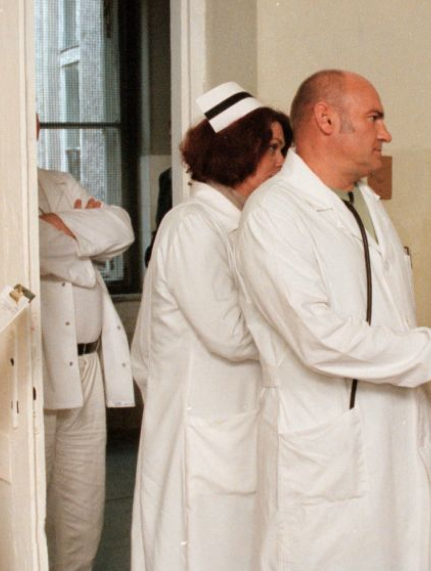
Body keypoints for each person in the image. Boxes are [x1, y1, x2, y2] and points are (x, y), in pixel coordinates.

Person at [235, 70, 431, 570]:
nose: (385, 133)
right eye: (374, 118)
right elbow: (318, 337)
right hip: (329, 451)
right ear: (326, 119)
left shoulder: (364, 201)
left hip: (394, 436)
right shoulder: (273, 213)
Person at [129, 82, 292, 571]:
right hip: (200, 431)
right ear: (240, 151)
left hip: (229, 423)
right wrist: (301, 329)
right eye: (274, 148)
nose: (282, 162)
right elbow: (230, 334)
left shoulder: (238, 224)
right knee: (198, 548)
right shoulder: (192, 226)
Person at [37, 117, 135, 570]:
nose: (35, 124)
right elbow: (32, 242)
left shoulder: (57, 182)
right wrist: (84, 248)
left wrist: (57, 229)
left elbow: (121, 228)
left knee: (84, 500)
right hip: (40, 368)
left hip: (90, 363)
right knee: (37, 497)